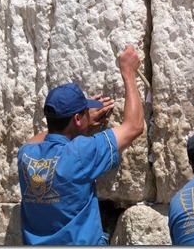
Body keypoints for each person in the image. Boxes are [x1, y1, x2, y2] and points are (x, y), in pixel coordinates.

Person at [17, 45, 144, 245]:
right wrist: (128, 73)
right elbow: (134, 126)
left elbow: (36, 140)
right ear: (77, 118)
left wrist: (78, 124)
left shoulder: (26, 157)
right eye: (85, 112)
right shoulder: (80, 152)